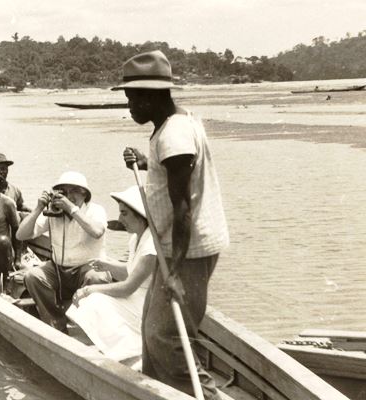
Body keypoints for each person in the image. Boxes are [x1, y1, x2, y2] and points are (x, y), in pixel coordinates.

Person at [114, 50, 229, 399]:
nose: (130, 107)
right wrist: (148, 162)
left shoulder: (173, 136)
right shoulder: (176, 125)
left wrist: (175, 271)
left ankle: (206, 396)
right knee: (152, 332)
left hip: (188, 249)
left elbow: (182, 210)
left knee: (165, 337)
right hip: (179, 246)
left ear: (152, 96)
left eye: (133, 99)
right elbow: (176, 176)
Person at [66, 186, 156, 362]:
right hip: (138, 299)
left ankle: (131, 352)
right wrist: (108, 265)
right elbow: (131, 270)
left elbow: (128, 287)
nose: (120, 219)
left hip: (149, 305)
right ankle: (116, 348)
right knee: (89, 301)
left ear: (140, 215)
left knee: (93, 300)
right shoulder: (136, 238)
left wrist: (90, 290)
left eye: (124, 213)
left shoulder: (151, 245)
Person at [15, 171, 111, 332]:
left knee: (97, 278)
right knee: (33, 276)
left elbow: (96, 232)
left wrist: (72, 209)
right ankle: (55, 322)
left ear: (84, 194)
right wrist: (39, 208)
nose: (69, 196)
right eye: (64, 192)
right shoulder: (54, 213)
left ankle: (92, 328)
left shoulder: (95, 210)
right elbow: (21, 235)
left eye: (74, 191)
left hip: (88, 269)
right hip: (59, 270)